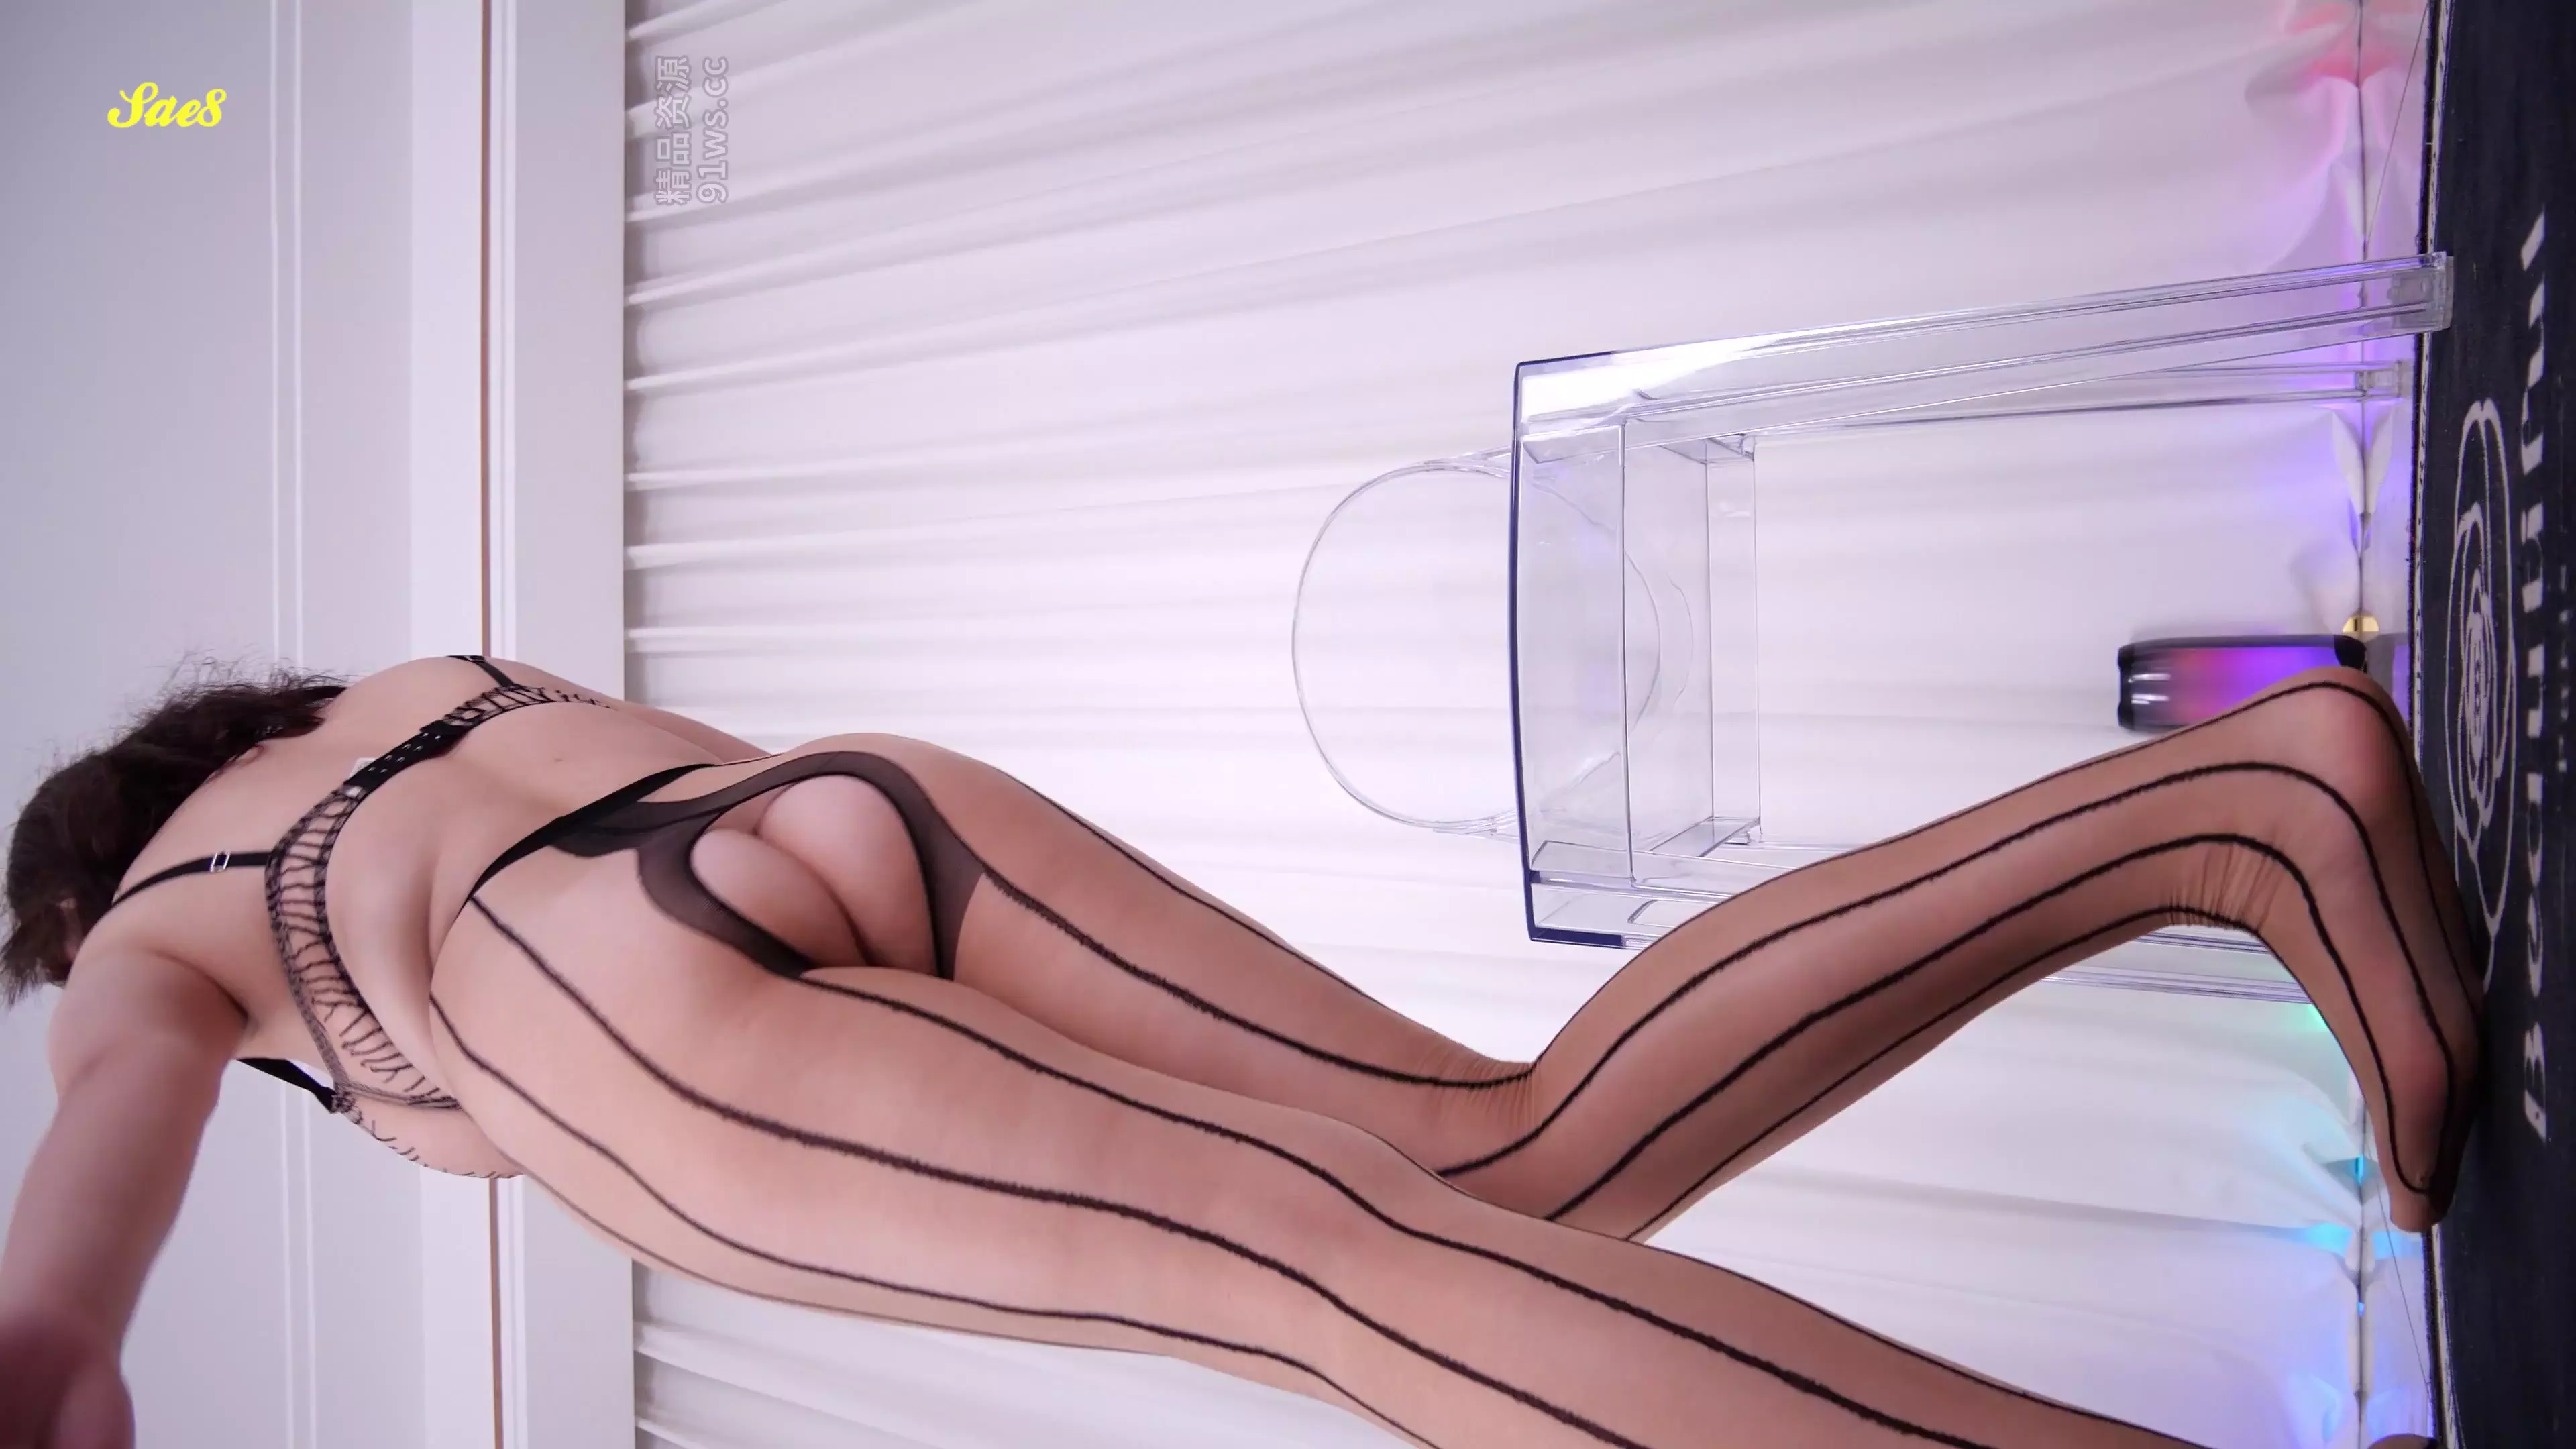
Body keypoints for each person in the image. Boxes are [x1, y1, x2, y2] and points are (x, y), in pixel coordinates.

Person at [0, 653, 2481, 1449]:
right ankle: (2239, 808)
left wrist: (55, 1354)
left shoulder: (150, 944)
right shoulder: (411, 689)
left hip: (597, 1010)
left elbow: (89, 1222)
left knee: (1331, 1286)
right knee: (1510, 1162)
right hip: (832, 812)